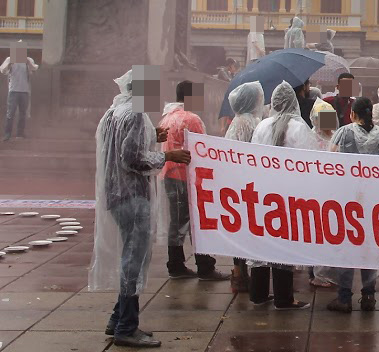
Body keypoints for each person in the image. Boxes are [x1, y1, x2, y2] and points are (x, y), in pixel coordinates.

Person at [91, 68, 191, 348]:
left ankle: (117, 319)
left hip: (116, 193)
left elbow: (121, 147)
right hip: (132, 196)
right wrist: (167, 155)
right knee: (133, 261)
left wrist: (152, 138)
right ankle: (126, 327)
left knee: (130, 258)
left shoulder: (115, 111)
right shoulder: (135, 114)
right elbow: (131, 158)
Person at [249, 82, 323, 310]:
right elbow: (311, 163)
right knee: (282, 242)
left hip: (262, 193)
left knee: (260, 242)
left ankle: (258, 294)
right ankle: (283, 298)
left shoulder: (262, 126)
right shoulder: (299, 128)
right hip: (288, 195)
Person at [327, 97, 379, 313]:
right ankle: (368, 296)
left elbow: (329, 162)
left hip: (348, 200)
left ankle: (344, 297)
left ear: (353, 114)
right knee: (369, 247)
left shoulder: (343, 133)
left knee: (348, 246)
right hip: (373, 201)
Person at [159, 81, 227, 281]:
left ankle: (176, 264)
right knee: (198, 221)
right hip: (187, 177)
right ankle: (205, 266)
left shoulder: (167, 117)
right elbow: (202, 149)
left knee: (177, 221)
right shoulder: (191, 119)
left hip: (169, 175)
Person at [223, 81, 265, 293]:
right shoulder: (248, 123)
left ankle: (239, 273)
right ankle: (241, 273)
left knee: (240, 229)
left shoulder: (238, 121)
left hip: (237, 183)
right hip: (246, 184)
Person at [1, 44, 37, 141]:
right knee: (10, 113)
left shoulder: (28, 60)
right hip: (13, 90)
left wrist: (28, 63)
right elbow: (2, 70)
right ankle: (7, 134)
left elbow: (34, 69)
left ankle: (20, 134)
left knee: (23, 113)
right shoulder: (10, 59)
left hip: (25, 91)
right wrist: (10, 64)